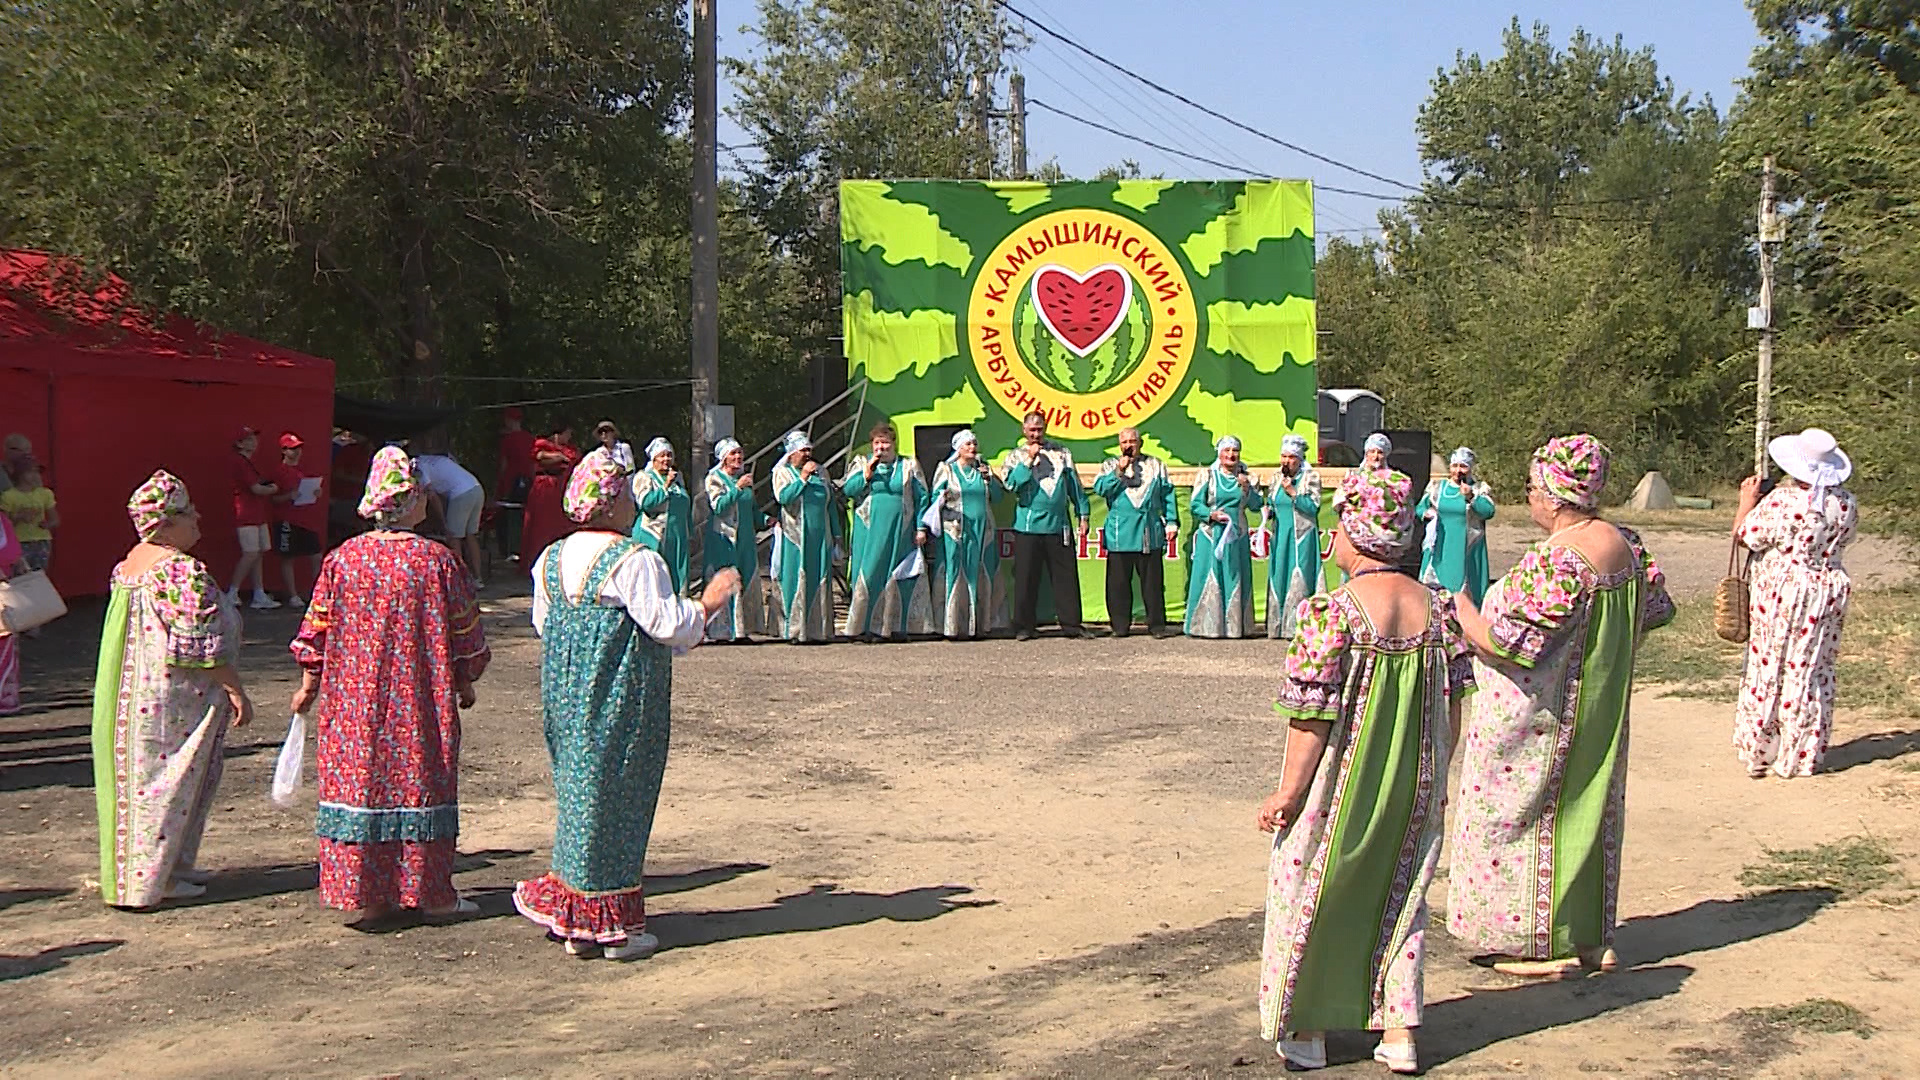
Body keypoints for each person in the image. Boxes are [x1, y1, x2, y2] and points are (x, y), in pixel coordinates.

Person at [1258, 466, 1471, 1076]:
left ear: (1355, 531)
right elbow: (1454, 703)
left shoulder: (1331, 613)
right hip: (1415, 781)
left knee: (1312, 890)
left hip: (1339, 787)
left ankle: (1307, 1029)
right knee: (1402, 897)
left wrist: (1289, 793)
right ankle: (1400, 1033)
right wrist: (1436, 776)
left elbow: (1310, 718)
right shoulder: (1441, 611)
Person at [1446, 434, 1674, 978]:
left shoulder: (1559, 561)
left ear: (1553, 495)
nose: (1528, 498)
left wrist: (1461, 608)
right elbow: (1655, 609)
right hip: (1597, 712)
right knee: (1587, 814)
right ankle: (1591, 937)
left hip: (1538, 720)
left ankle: (1533, 946)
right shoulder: (1627, 544)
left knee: (1519, 819)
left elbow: (1501, 640)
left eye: (1531, 487)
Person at [514, 449, 740, 959]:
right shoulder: (634, 560)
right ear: (614, 504)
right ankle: (614, 925)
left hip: (566, 695)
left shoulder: (549, 558)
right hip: (617, 694)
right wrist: (709, 602)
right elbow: (667, 625)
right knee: (619, 795)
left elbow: (545, 626)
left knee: (581, 797)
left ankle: (579, 919)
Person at [290, 447, 491, 923]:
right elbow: (466, 632)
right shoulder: (437, 563)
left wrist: (309, 683)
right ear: (412, 502)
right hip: (419, 701)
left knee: (362, 784)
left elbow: (315, 629)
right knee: (419, 781)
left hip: (354, 706)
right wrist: (465, 678)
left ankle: (369, 895)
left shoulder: (342, 561)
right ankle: (431, 894)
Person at [92, 471, 254, 908]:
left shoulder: (128, 566)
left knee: (153, 780)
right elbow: (198, 641)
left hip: (138, 694)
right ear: (164, 522)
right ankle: (153, 880)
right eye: (188, 512)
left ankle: (167, 866)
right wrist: (235, 689)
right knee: (170, 781)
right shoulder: (180, 570)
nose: (198, 517)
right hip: (175, 696)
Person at [1731, 428, 1857, 779]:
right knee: (1811, 666)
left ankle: (1761, 748)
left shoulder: (1783, 501)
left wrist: (1747, 501)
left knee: (1770, 664)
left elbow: (1746, 536)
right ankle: (1800, 752)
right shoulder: (1846, 504)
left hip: (1783, 588)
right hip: (1826, 588)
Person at [1002, 410, 1091, 640]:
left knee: (1065, 577)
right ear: (1024, 431)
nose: (1036, 435)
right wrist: (1029, 461)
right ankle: (1023, 626)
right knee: (1026, 577)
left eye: (1039, 429)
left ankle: (1072, 624)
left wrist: (1083, 513)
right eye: (1031, 430)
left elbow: (1074, 484)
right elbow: (1011, 485)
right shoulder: (1015, 456)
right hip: (1029, 526)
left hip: (1058, 525)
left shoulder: (1062, 453)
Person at [842, 422, 930, 643]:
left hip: (901, 529)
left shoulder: (909, 465)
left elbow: (922, 497)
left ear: (894, 444)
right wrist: (867, 473)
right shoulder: (862, 463)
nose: (881, 447)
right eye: (877, 443)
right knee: (870, 573)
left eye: (885, 443)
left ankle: (895, 626)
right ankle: (864, 627)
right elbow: (849, 490)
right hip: (870, 531)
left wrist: (920, 526)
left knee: (899, 574)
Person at [1092, 426, 1179, 638]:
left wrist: (1172, 521)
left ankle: (1157, 626)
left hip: (1148, 531)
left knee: (1152, 583)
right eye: (1124, 442)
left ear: (1140, 443)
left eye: (1132, 441)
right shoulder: (1109, 465)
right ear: (1119, 445)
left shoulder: (1156, 465)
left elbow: (1167, 493)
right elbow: (1101, 489)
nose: (1128, 446)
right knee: (1118, 583)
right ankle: (1120, 626)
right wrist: (1119, 472)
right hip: (1120, 532)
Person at [925, 430, 1004, 640]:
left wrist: (990, 479)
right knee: (956, 571)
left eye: (974, 444)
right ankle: (953, 626)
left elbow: (997, 498)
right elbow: (934, 497)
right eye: (968, 444)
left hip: (982, 530)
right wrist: (944, 497)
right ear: (958, 448)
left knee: (979, 571)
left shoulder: (982, 470)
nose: (972, 448)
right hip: (956, 529)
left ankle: (979, 625)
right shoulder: (947, 470)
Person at [1186, 435, 1263, 639]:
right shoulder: (1208, 476)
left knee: (1234, 575)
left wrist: (1247, 488)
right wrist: (1210, 514)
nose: (1231, 455)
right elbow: (1195, 505)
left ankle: (1236, 627)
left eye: (1235, 451)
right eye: (1226, 451)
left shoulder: (1248, 477)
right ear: (1219, 453)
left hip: (1236, 535)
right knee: (1209, 574)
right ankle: (1205, 626)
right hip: (1211, 534)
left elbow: (1256, 506)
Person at [771, 431, 837, 643]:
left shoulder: (822, 472)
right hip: (796, 536)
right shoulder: (783, 473)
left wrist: (836, 534)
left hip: (820, 535)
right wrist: (803, 478)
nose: (807, 454)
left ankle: (819, 629)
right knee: (795, 578)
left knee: (820, 578)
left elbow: (831, 504)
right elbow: (784, 497)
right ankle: (794, 629)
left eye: (809, 450)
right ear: (792, 453)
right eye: (802, 451)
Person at [1417, 447, 1496, 606]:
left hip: (1467, 547)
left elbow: (1488, 511)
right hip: (1441, 545)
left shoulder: (1479, 488)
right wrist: (1425, 513)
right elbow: (1420, 508)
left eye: (1463, 466)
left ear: (1470, 468)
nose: (1458, 471)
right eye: (1455, 466)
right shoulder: (1438, 487)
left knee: (1466, 590)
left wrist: (1471, 496)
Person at [702, 438, 763, 642]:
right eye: (733, 454)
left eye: (740, 453)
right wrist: (737, 488)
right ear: (723, 458)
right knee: (727, 578)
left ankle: (741, 630)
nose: (738, 457)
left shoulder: (744, 480)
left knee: (745, 576)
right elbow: (719, 507)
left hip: (745, 537)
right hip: (724, 537)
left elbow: (752, 509)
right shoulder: (714, 478)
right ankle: (721, 630)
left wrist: (768, 520)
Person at [1264, 434, 1323, 640]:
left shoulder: (1310, 478)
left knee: (1299, 576)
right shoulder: (1275, 478)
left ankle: (1299, 626)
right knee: (1279, 576)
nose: (1286, 461)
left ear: (1299, 459)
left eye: (1291, 457)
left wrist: (1293, 492)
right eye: (1283, 456)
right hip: (1281, 537)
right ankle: (1277, 625)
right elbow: (1273, 503)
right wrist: (1268, 510)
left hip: (1301, 537)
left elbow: (1313, 507)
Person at [415, 442, 486, 585]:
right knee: (471, 535)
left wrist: (443, 523)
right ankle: (478, 578)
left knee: (454, 537)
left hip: (461, 494)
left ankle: (458, 580)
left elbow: (433, 497)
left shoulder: (419, 466)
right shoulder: (437, 459)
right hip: (476, 488)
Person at [268, 433, 325, 607]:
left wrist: (316, 493)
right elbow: (272, 499)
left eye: (299, 448)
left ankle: (317, 594)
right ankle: (293, 595)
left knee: (316, 556)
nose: (297, 452)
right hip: (287, 520)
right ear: (284, 451)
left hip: (305, 520)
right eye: (293, 449)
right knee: (288, 558)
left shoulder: (300, 472)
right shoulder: (278, 472)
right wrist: (288, 496)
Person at [228, 427, 282, 609]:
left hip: (257, 513)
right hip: (245, 513)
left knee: (259, 553)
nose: (253, 442)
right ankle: (232, 592)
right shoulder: (239, 462)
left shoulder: (249, 462)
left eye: (253, 439)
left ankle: (259, 593)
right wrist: (273, 489)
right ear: (239, 444)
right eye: (248, 439)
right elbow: (256, 489)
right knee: (251, 552)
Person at [630, 438, 691, 593]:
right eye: (662, 456)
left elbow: (685, 504)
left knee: (678, 580)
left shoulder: (678, 478)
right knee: (655, 581)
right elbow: (645, 503)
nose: (666, 459)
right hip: (654, 536)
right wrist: (665, 486)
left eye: (669, 455)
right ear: (654, 458)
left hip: (677, 538)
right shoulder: (645, 477)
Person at [520, 424, 582, 567]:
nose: (569, 438)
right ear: (557, 434)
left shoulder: (570, 449)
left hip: (559, 489)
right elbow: (538, 455)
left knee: (559, 526)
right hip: (543, 487)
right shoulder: (542, 444)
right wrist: (559, 456)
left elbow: (575, 459)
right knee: (540, 526)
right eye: (567, 434)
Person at [1, 459, 58, 573]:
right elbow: (4, 525)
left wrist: (47, 524)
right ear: (19, 474)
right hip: (20, 541)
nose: (35, 476)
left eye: (37, 472)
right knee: (20, 574)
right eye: (30, 472)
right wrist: (19, 517)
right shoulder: (8, 496)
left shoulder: (45, 494)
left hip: (41, 540)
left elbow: (55, 519)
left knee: (39, 573)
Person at [495, 408, 537, 561]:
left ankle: (511, 549)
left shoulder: (507, 440)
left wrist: (500, 483)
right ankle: (524, 548)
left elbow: (504, 464)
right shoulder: (530, 438)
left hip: (511, 481)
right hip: (527, 480)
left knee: (510, 514)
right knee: (524, 514)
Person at [0, 511, 22, 715]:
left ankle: (5, 696)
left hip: (4, 589)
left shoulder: (3, 519)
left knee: (5, 638)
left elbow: (13, 551)